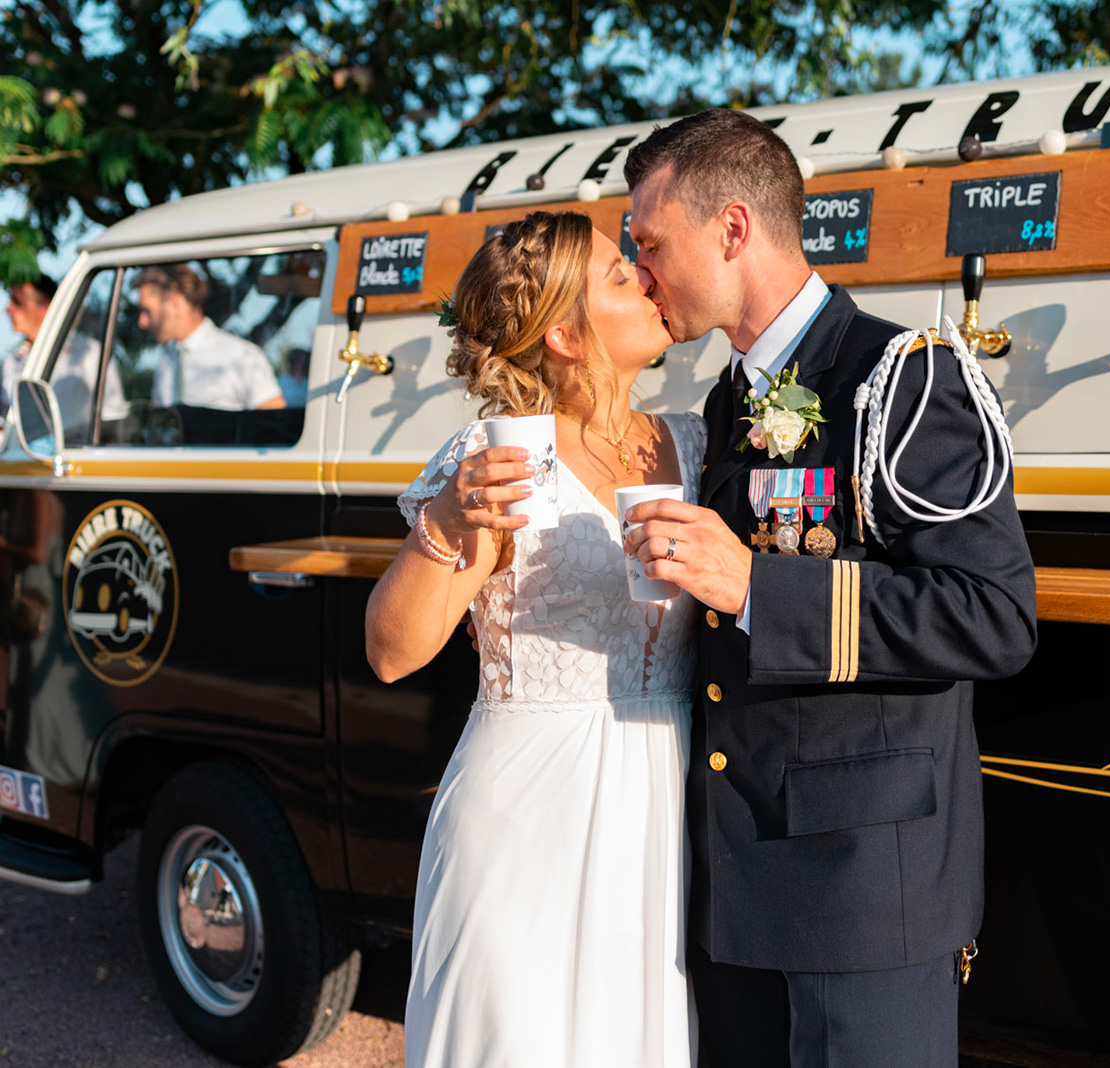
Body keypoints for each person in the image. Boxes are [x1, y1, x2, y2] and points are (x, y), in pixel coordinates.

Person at [621, 109, 1038, 1068]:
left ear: (732, 229)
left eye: (649, 244)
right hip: (737, 882)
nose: (640, 272)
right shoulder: (725, 404)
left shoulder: (905, 379)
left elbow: (994, 619)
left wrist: (759, 588)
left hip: (862, 898)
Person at [364, 212, 700, 1068]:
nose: (647, 280)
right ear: (563, 332)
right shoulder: (501, 460)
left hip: (660, 803)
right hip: (526, 812)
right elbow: (392, 652)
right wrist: (444, 521)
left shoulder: (694, 442)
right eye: (621, 277)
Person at [131, 264, 286, 411]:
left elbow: (274, 423)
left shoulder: (241, 356)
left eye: (147, 311)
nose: (141, 322)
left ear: (176, 304)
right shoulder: (166, 361)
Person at [3, 275, 130, 437]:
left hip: (77, 457)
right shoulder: (13, 360)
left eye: (18, 302)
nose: (8, 309)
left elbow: (113, 416)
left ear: (46, 308)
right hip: (22, 459)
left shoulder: (89, 353)